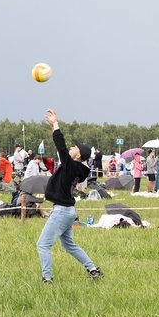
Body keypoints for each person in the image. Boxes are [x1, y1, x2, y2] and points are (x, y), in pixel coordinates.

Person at [36, 109, 103, 284]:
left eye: (74, 147)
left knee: (43, 245)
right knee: (68, 245)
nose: (71, 148)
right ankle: (93, 270)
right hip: (68, 210)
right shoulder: (76, 169)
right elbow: (63, 150)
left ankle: (47, 279)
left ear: (78, 155)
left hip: (62, 211)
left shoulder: (70, 165)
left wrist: (55, 124)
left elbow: (60, 145)